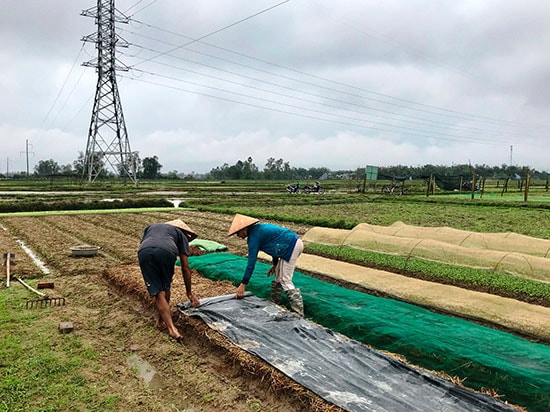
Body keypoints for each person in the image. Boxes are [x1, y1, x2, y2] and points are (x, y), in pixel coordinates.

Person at [227, 214, 305, 316]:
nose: (238, 236)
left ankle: (298, 313)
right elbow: (275, 246)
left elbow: (251, 262)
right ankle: (275, 303)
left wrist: (243, 284)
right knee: (278, 277)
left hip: (291, 245)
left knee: (285, 279)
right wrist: (275, 265)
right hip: (290, 244)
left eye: (238, 233)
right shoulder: (258, 230)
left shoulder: (254, 236)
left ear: (244, 229)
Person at [138, 219, 200, 341]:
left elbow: (146, 242)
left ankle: (161, 321)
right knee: (165, 288)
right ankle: (172, 329)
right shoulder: (181, 235)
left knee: (158, 292)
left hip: (144, 251)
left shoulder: (151, 227)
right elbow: (185, 268)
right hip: (166, 252)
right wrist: (189, 292)